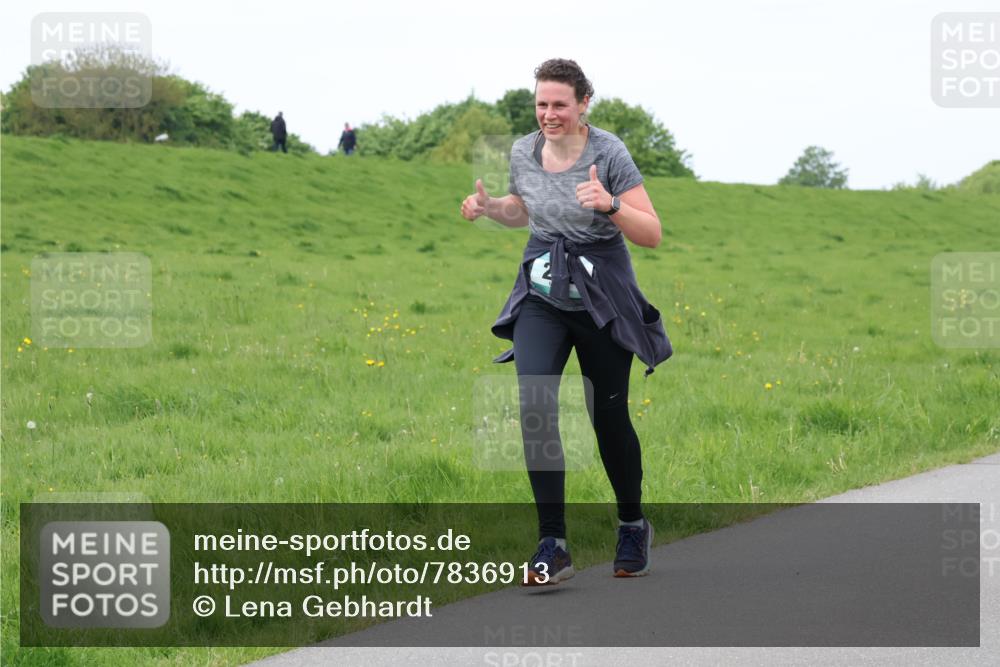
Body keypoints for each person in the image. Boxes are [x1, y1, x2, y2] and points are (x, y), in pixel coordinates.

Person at [460, 58, 672, 586]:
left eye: (559, 104)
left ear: (583, 104)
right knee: (535, 405)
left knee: (608, 417)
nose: (549, 114)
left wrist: (610, 204)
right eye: (541, 104)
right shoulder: (523, 151)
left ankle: (632, 525)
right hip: (542, 294)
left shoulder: (609, 152)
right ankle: (552, 544)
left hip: (601, 299)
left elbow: (651, 233)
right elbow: (525, 209)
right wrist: (491, 208)